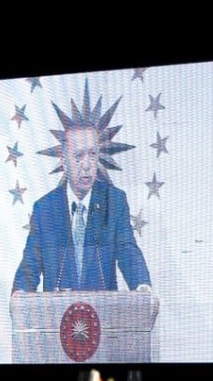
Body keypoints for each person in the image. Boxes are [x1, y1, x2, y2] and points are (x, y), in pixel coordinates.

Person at [12, 81, 151, 295]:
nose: (87, 165)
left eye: (92, 154)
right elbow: (30, 263)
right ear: (64, 160)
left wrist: (142, 285)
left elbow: (128, 251)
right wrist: (20, 293)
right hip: (56, 313)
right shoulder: (45, 209)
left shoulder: (114, 202)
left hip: (101, 312)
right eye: (78, 156)